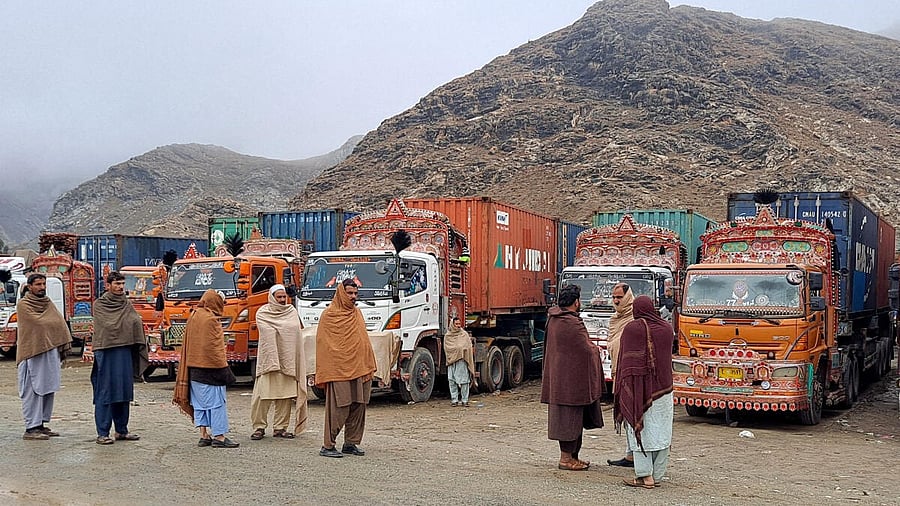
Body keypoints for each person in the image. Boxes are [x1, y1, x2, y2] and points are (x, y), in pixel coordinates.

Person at [540, 284, 605, 471]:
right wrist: (595, 350)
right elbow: (586, 348)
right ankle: (566, 459)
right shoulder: (570, 322)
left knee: (574, 419)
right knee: (569, 420)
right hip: (570, 383)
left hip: (561, 379)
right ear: (576, 302)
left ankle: (573, 457)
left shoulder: (554, 320)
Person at [614, 295, 675, 489]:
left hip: (638, 390)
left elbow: (626, 360)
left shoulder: (632, 329)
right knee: (661, 432)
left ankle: (644, 476)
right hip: (664, 391)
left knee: (639, 429)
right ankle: (657, 475)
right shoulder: (667, 328)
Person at [314, 279, 377, 458]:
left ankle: (351, 442)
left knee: (359, 405)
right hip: (339, 369)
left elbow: (362, 340)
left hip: (360, 367)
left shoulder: (356, 313)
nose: (353, 297)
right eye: (349, 293)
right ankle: (328, 445)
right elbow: (325, 345)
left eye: (355, 294)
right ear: (341, 293)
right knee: (339, 407)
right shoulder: (329, 315)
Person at [173, 290, 239, 448]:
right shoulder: (211, 319)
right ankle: (219, 436)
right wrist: (224, 369)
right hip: (211, 369)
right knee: (216, 403)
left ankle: (204, 435)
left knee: (200, 404)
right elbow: (215, 349)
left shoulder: (194, 316)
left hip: (194, 369)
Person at [91, 271, 149, 444]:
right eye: (117, 284)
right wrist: (128, 325)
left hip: (124, 350)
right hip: (107, 350)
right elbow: (108, 326)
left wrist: (131, 325)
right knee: (106, 391)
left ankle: (121, 430)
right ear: (107, 286)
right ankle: (103, 432)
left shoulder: (126, 303)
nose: (120, 287)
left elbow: (135, 322)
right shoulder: (99, 304)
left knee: (123, 391)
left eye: (122, 284)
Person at [16, 274, 71, 440]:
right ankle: (31, 427)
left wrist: (52, 326)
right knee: (32, 390)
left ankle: (41, 424)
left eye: (43, 284)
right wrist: (52, 324)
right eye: (38, 284)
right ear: (30, 286)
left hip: (50, 351)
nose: (41, 287)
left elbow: (59, 322)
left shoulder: (47, 303)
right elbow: (39, 324)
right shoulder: (23, 305)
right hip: (32, 352)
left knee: (47, 388)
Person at [250, 284, 308, 440]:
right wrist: (283, 332)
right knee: (262, 396)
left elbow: (294, 333)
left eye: (284, 297)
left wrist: (280, 332)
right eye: (279, 297)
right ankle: (259, 427)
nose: (283, 300)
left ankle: (280, 428)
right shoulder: (263, 312)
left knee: (285, 397)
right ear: (272, 297)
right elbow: (267, 332)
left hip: (287, 360)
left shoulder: (291, 312)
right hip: (270, 361)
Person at [606, 282, 635, 468]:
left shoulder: (635, 319)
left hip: (630, 374)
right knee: (625, 414)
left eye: (620, 297)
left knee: (632, 413)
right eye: (614, 297)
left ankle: (635, 455)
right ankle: (630, 454)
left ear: (628, 297)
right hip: (618, 372)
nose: (616, 301)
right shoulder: (615, 319)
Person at [443, 318, 475, 407]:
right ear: (452, 324)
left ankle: (465, 400)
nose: (458, 325)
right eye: (456, 324)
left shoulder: (464, 334)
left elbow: (467, 347)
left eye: (459, 323)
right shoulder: (448, 336)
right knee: (452, 381)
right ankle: (454, 400)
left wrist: (460, 350)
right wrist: (457, 350)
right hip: (451, 361)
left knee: (464, 381)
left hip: (462, 360)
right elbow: (447, 348)